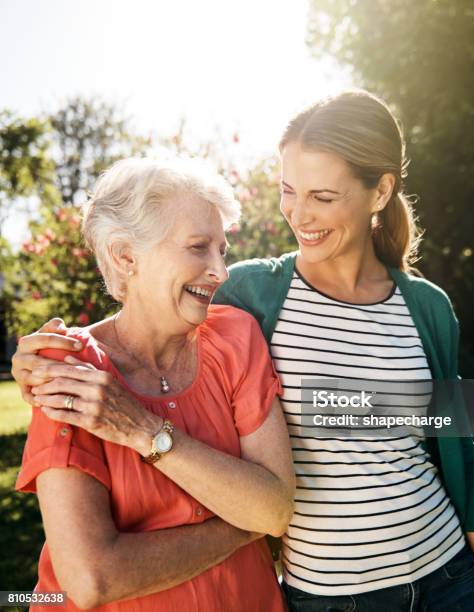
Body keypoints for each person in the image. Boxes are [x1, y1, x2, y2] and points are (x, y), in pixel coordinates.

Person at [12, 91, 474, 612]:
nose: (300, 215)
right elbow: (145, 309)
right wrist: (50, 352)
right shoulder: (253, 295)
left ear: (380, 192)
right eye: (288, 190)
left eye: (323, 196)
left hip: (448, 573)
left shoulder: (427, 308)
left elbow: (461, 457)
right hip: (331, 597)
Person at [12, 157, 295, 611]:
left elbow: (275, 508)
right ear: (127, 257)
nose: (220, 272)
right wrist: (244, 521)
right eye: (198, 246)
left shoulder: (235, 337)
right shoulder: (70, 367)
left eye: (222, 250)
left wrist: (142, 430)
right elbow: (92, 579)